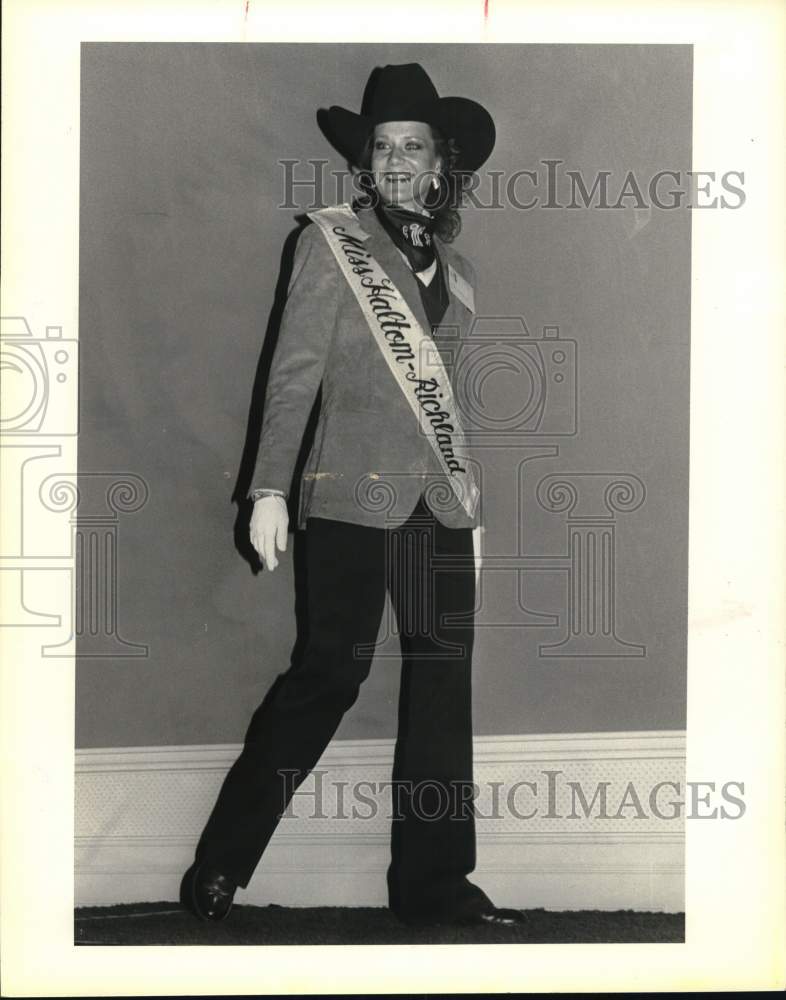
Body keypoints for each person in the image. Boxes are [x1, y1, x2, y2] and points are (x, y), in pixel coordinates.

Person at [183, 63, 525, 928]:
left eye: (414, 145)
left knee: (443, 686)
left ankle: (435, 884)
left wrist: (470, 505)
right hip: (346, 498)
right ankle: (219, 867)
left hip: (440, 507)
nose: (399, 159)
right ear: (366, 163)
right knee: (326, 675)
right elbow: (292, 376)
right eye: (384, 147)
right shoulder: (330, 243)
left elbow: (446, 396)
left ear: (441, 160)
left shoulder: (463, 272)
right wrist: (267, 488)